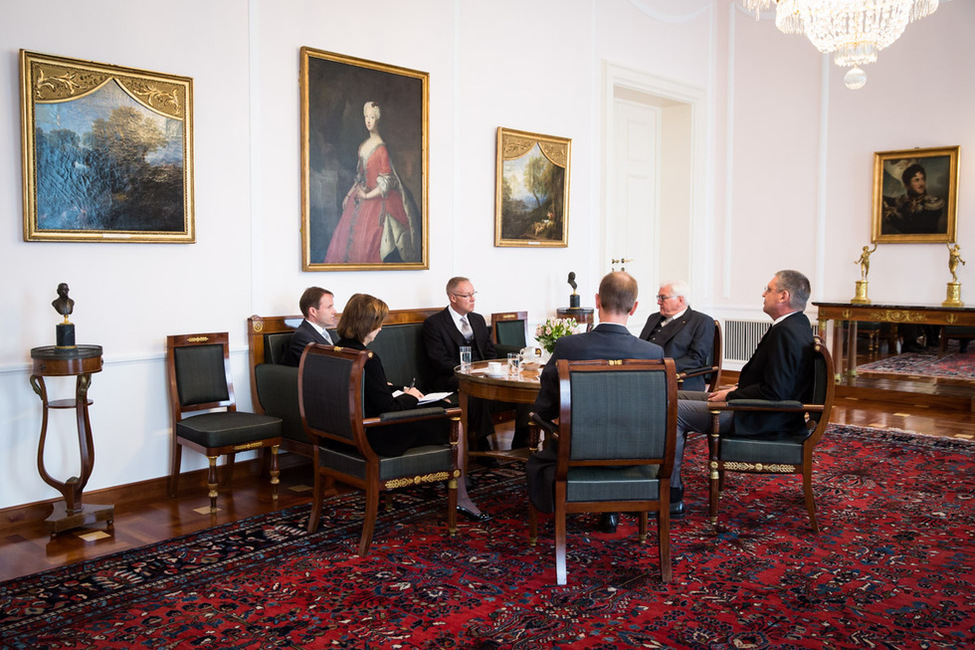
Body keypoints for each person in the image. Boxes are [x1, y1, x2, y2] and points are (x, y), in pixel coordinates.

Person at [527, 271, 664, 534]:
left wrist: (546, 418)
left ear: (597, 300)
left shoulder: (569, 347)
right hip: (635, 455)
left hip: (577, 453)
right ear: (634, 307)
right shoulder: (652, 353)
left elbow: (545, 405)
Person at [335, 293, 489, 521]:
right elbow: (390, 408)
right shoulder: (368, 358)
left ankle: (452, 481)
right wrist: (413, 397)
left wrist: (401, 390)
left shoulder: (340, 350)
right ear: (367, 324)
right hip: (378, 434)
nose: (381, 330)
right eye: (379, 324)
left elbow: (371, 390)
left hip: (346, 432)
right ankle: (461, 494)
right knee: (454, 421)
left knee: (439, 405)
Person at [675, 270, 815, 509]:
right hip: (760, 408)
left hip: (760, 416)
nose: (763, 294)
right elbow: (776, 380)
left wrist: (730, 395)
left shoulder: (786, 332)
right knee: (672, 396)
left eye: (768, 289)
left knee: (673, 410)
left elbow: (775, 393)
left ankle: (671, 493)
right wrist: (736, 389)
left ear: (783, 296)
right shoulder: (795, 324)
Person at [423, 277, 531, 450]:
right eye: (467, 295)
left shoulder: (478, 320)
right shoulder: (434, 324)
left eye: (473, 294)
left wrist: (490, 370)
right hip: (450, 376)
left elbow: (490, 352)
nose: (473, 299)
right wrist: (468, 373)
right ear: (453, 298)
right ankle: (482, 443)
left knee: (523, 385)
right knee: (474, 389)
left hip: (484, 373)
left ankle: (522, 437)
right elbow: (439, 360)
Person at [324, 101, 419, 264]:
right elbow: (360, 176)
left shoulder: (381, 148)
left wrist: (367, 195)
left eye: (372, 117)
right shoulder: (363, 146)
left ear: (378, 120)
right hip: (360, 196)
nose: (368, 120)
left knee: (368, 245)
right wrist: (348, 195)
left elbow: (386, 182)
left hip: (378, 200)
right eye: (366, 116)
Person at [638, 281, 715, 392]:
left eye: (662, 297)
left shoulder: (701, 321)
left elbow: (696, 359)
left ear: (680, 300)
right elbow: (642, 345)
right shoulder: (653, 318)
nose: (658, 302)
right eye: (658, 297)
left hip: (679, 379)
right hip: (646, 374)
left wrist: (663, 368)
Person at [882, 163, 945, 235]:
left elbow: (915, 231)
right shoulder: (905, 201)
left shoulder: (933, 204)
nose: (921, 183)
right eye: (917, 180)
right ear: (907, 185)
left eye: (923, 179)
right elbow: (886, 199)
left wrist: (892, 218)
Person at [284, 287, 337, 367]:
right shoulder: (302, 337)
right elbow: (319, 368)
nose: (334, 311)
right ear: (313, 311)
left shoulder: (332, 334)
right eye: (329, 307)